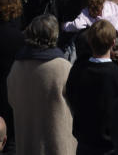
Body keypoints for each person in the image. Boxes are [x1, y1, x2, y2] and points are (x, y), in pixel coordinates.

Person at [8, 15, 75, 155]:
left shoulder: (17, 66)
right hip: (57, 144)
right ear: (54, 35)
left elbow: (11, 99)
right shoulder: (62, 67)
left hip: (27, 143)